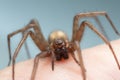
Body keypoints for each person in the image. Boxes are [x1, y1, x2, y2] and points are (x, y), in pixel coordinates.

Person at [0, 39, 120, 80]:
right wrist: (13, 58)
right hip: (50, 47)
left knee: (82, 20)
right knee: (32, 26)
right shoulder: (47, 49)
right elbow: (37, 58)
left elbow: (76, 44)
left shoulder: (72, 44)